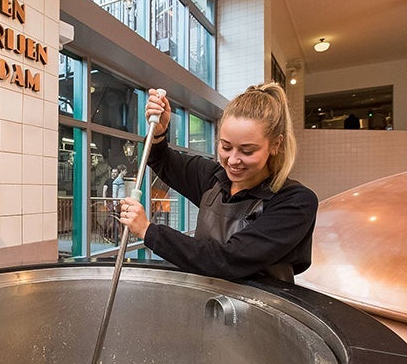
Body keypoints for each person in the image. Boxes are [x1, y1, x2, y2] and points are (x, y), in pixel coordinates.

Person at [118, 84, 318, 282]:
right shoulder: (212, 178)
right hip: (207, 296)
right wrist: (159, 132)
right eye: (226, 147)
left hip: (262, 302)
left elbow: (229, 260)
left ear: (275, 145)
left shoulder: (295, 202)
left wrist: (148, 230)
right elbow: (161, 160)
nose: (233, 160)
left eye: (247, 151)